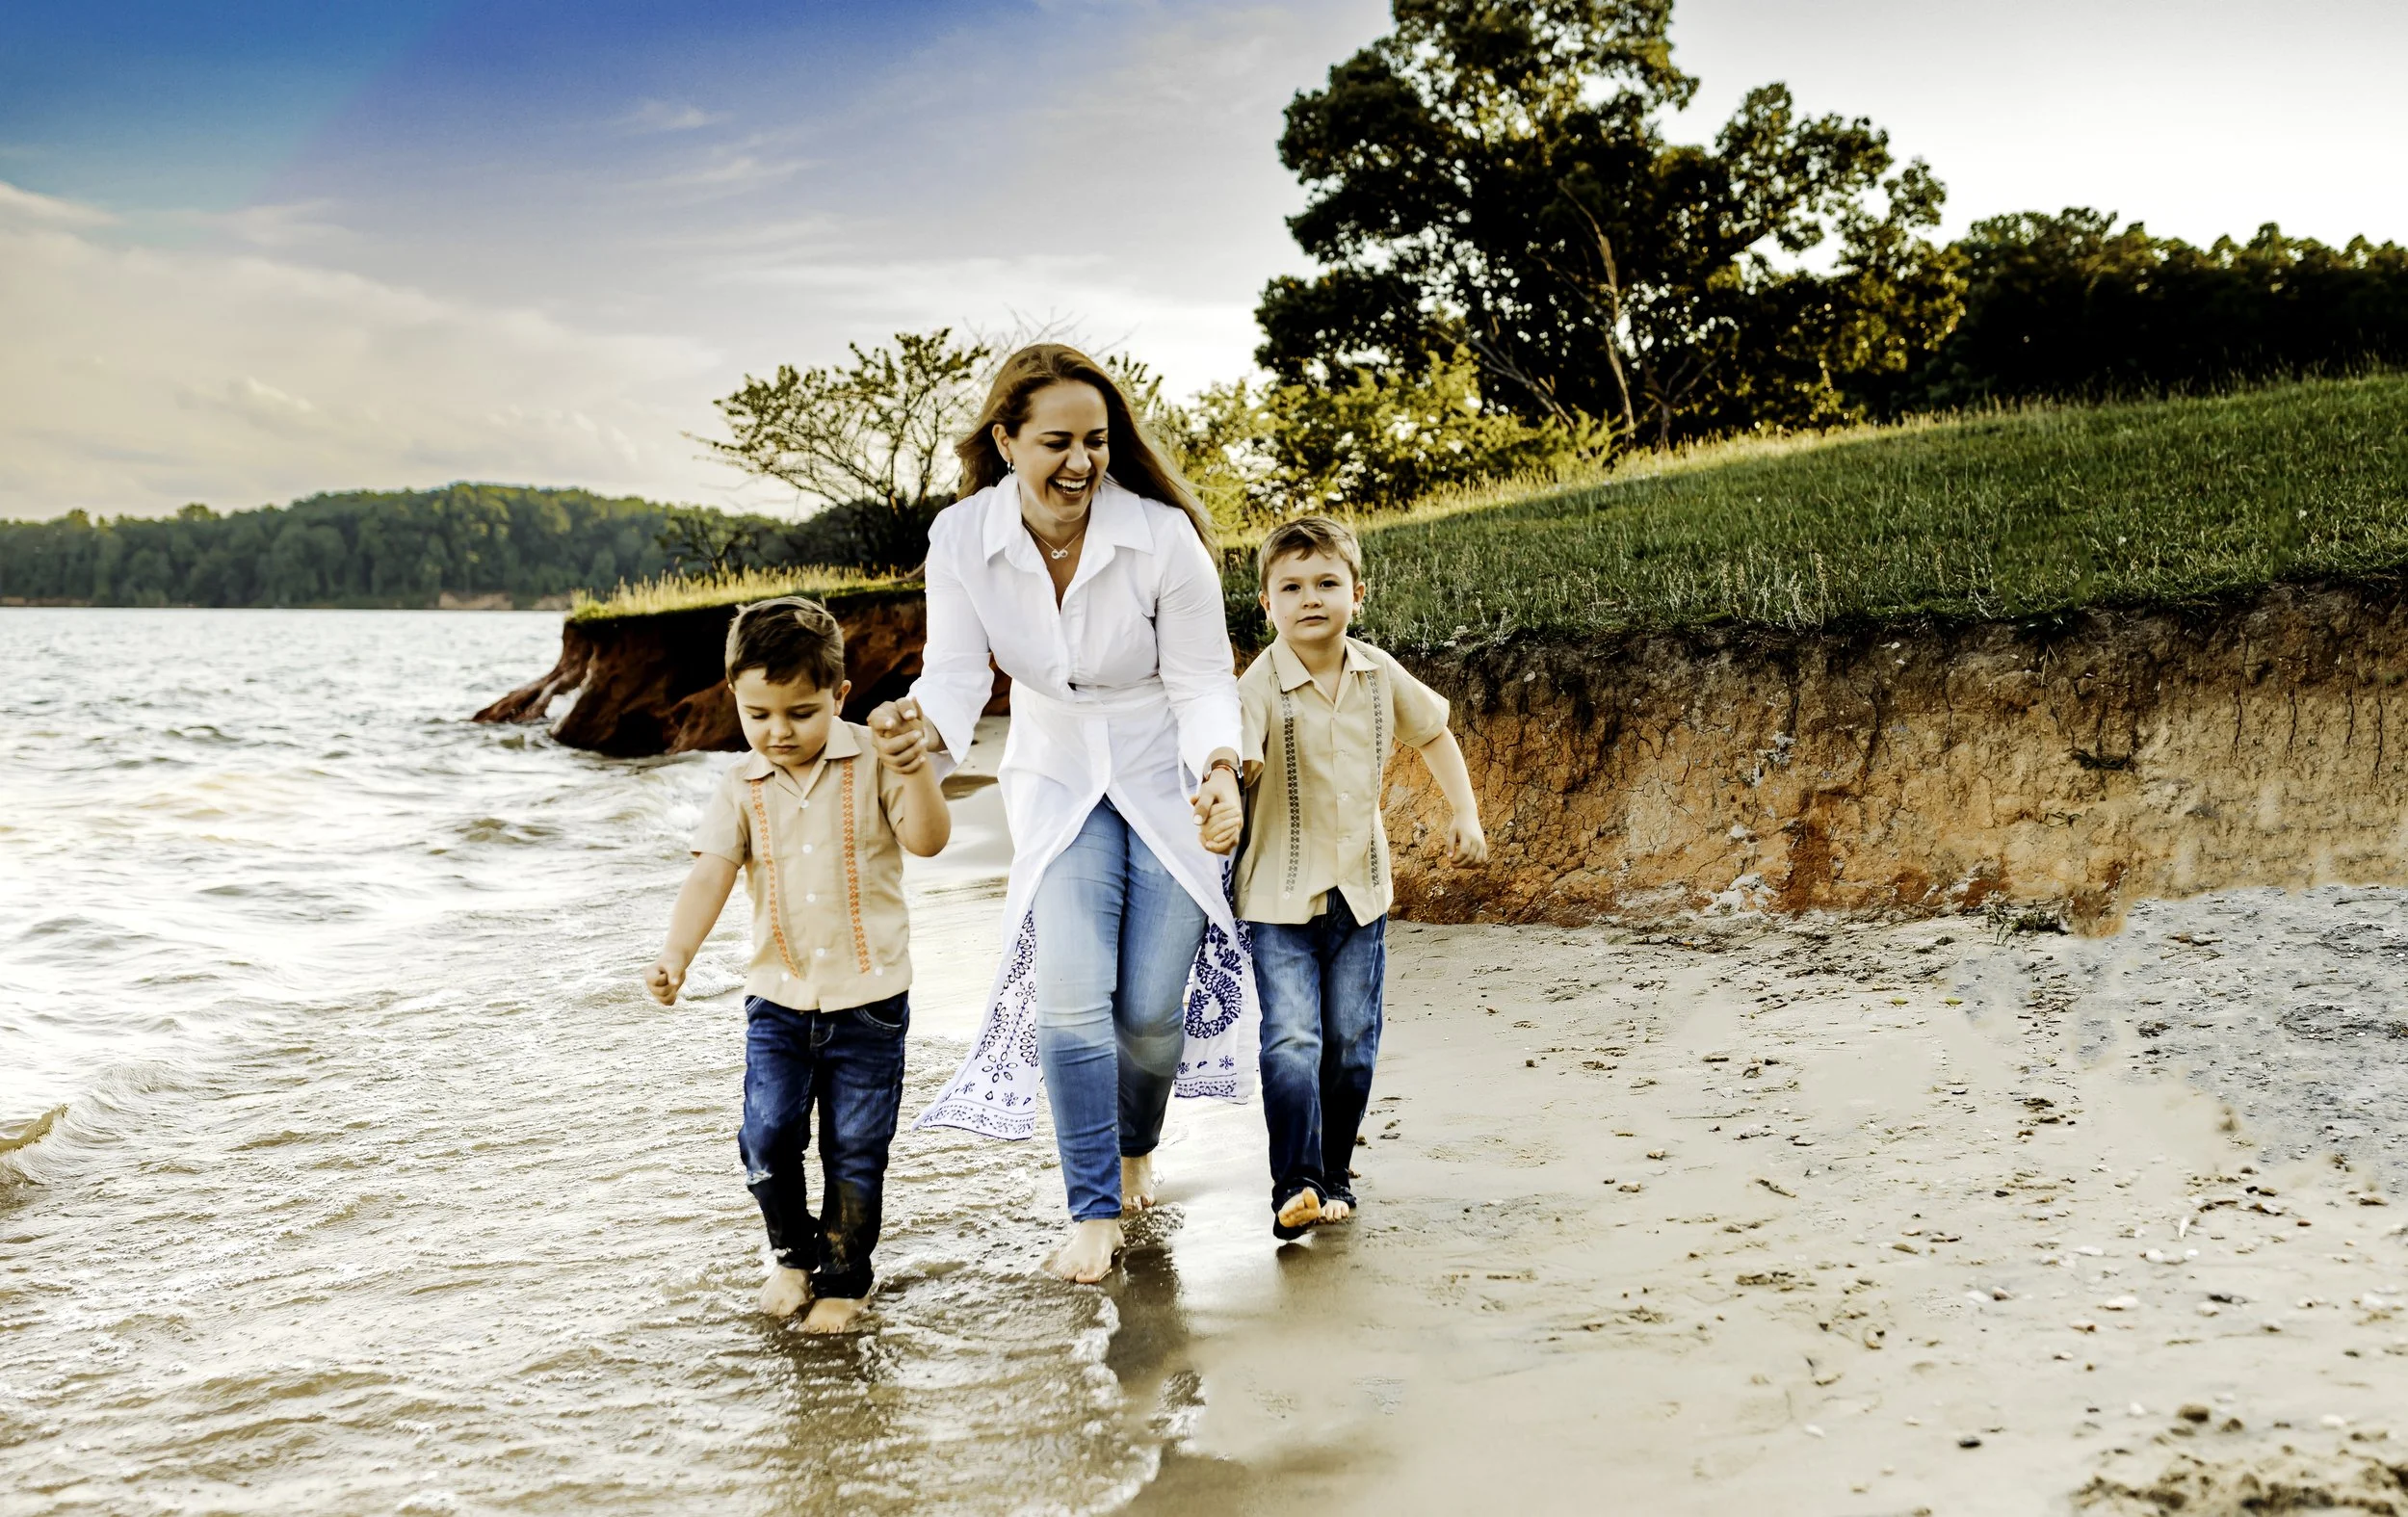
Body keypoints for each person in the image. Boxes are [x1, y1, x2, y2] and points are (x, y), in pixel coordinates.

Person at [880, 343, 1252, 1285]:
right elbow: (960, 676)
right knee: (1072, 1001)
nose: (1079, 462)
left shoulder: (1161, 536)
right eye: (1056, 441)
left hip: (1163, 769)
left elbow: (1205, 677)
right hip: (1053, 773)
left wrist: (1218, 766)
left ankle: (1138, 1150)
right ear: (1005, 441)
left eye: (1094, 440)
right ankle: (1092, 1209)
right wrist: (925, 736)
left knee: (1151, 1016)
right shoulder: (963, 540)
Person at [645, 597, 950, 1330]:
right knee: (767, 1135)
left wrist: (915, 771)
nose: (778, 732)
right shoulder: (739, 785)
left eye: (800, 713)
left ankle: (845, 1279)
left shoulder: (875, 758)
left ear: (840, 696)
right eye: (760, 715)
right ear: (735, 701)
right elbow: (712, 872)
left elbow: (929, 839)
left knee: (856, 1147)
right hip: (777, 1001)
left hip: (870, 1001)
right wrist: (675, 954)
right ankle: (791, 1253)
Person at [1235, 516, 1487, 1239]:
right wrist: (1222, 783)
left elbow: (1433, 731)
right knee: (1291, 1040)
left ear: (1358, 592)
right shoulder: (1256, 686)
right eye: (1291, 586)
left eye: (1326, 583)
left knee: (1350, 1041)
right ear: (1266, 604)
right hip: (1279, 897)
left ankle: (1335, 1170)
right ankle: (1295, 1182)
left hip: (1361, 892)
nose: (1309, 598)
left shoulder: (1378, 672)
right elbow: (1230, 754)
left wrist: (1465, 814)